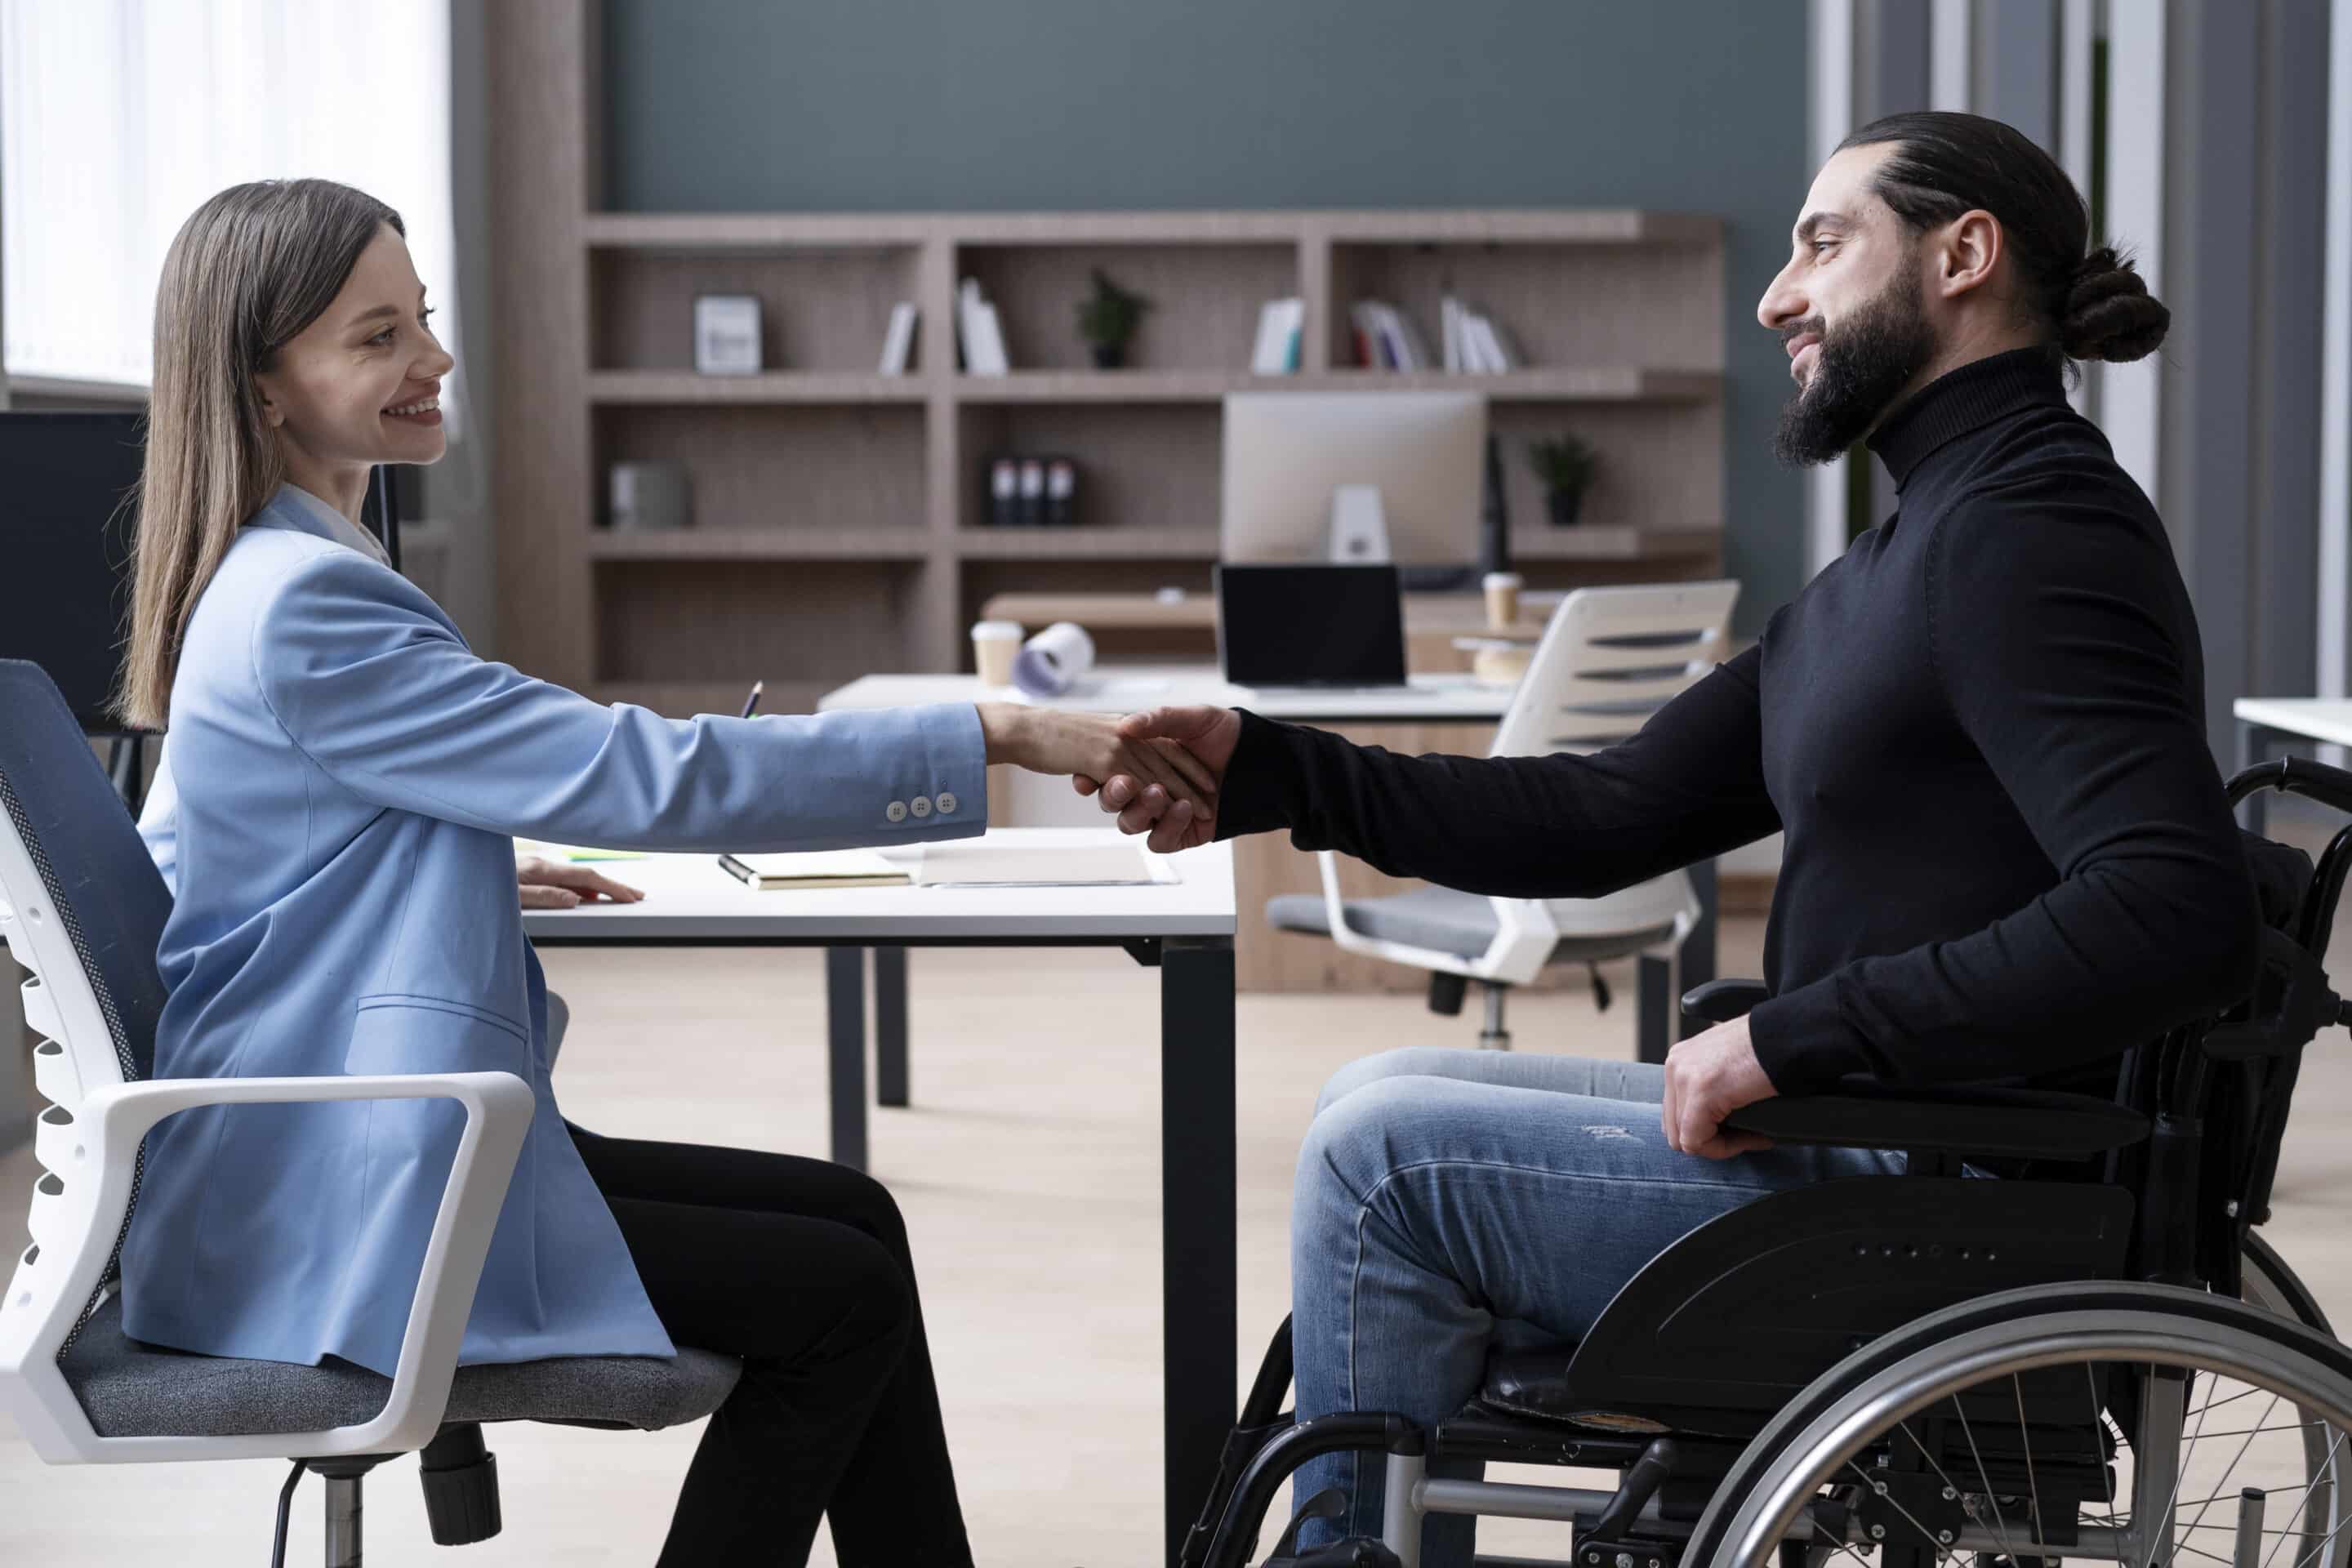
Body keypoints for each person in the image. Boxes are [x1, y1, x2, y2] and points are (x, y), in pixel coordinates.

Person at [1083, 111, 2259, 1563]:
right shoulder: (1919, 546)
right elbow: (1604, 812)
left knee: (1383, 1164)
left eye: (1823, 244)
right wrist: (1272, 770)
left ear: (1965, 257)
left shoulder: (2031, 533)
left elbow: (2174, 905)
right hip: (1883, 1147)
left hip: (1932, 1195)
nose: (1777, 297)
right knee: (1380, 1084)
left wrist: (1789, 1038)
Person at [115, 176, 1211, 1568]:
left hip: (310, 1152)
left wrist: (420, 875)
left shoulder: (269, 576)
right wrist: (991, 732)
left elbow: (184, 858)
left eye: (425, 320)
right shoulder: (307, 602)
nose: (433, 361)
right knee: (840, 1302)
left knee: (855, 1217)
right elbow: (652, 773)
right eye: (375, 336)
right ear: (263, 388)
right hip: (336, 1190)